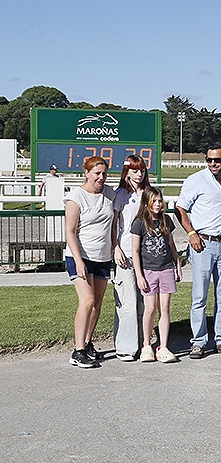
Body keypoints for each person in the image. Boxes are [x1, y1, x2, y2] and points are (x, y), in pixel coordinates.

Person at [176, 143, 221, 359]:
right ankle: (199, 341)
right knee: (199, 296)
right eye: (209, 160)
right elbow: (180, 208)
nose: (213, 163)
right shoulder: (196, 180)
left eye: (217, 160)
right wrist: (191, 233)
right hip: (202, 243)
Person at [64, 157, 115, 368]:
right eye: (97, 173)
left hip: (103, 256)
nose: (101, 177)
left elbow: (114, 224)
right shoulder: (76, 197)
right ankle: (77, 351)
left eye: (104, 174)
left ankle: (87, 343)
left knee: (97, 303)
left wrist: (116, 247)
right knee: (87, 300)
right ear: (86, 173)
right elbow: (70, 231)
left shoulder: (110, 194)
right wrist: (78, 261)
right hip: (80, 255)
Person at [132, 187, 182, 363]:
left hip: (166, 269)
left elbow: (171, 244)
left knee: (164, 308)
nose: (158, 204)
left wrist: (177, 264)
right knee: (150, 308)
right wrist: (139, 275)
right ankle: (146, 345)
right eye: (154, 201)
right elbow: (135, 251)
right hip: (148, 270)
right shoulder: (139, 223)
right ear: (146, 202)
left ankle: (163, 346)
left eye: (160, 201)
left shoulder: (166, 220)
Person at [110, 155, 150, 361]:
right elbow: (113, 224)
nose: (139, 174)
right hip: (125, 253)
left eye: (141, 170)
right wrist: (115, 247)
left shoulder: (149, 194)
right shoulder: (120, 195)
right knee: (127, 302)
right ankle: (125, 347)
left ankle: (144, 344)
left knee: (144, 304)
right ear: (127, 172)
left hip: (146, 255)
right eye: (135, 170)